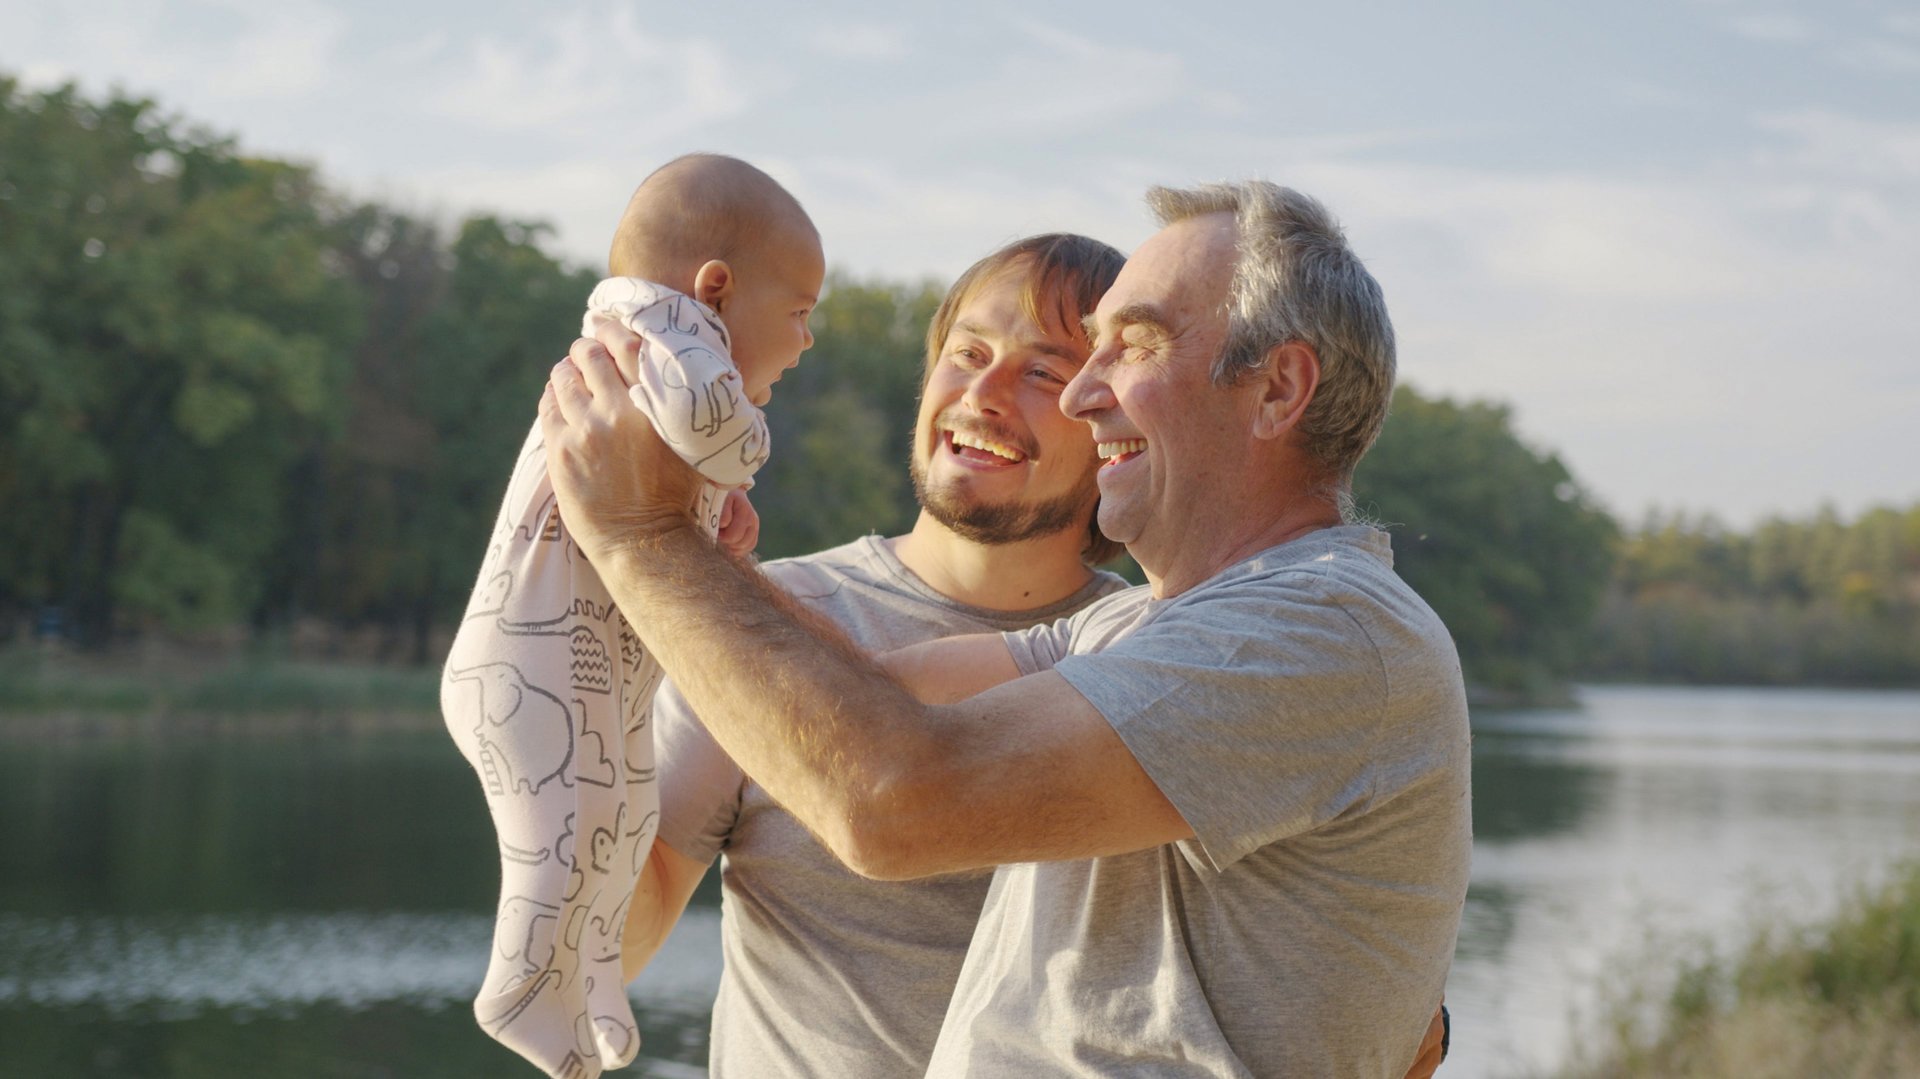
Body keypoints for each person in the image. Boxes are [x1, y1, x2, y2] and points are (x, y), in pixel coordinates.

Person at [543, 180, 1471, 1077]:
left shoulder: (1314, 628)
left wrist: (647, 536)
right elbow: (877, 687)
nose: (1078, 396)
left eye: (1131, 347)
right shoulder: (1139, 627)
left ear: (1277, 392)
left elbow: (891, 797)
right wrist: (692, 599)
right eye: (971, 352)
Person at [623, 234, 1133, 1078]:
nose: (983, 392)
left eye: (1044, 372)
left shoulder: (1155, 655)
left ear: (1116, 420)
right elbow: (617, 938)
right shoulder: (755, 620)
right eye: (966, 353)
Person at [440, 153, 824, 1079]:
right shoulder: (660, 330)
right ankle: (524, 984)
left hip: (577, 673)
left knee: (619, 817)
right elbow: (711, 418)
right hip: (523, 670)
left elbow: (665, 474)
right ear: (718, 290)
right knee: (565, 837)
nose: (807, 343)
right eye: (800, 315)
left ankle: (594, 967)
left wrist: (713, 506)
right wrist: (746, 456)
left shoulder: (651, 356)